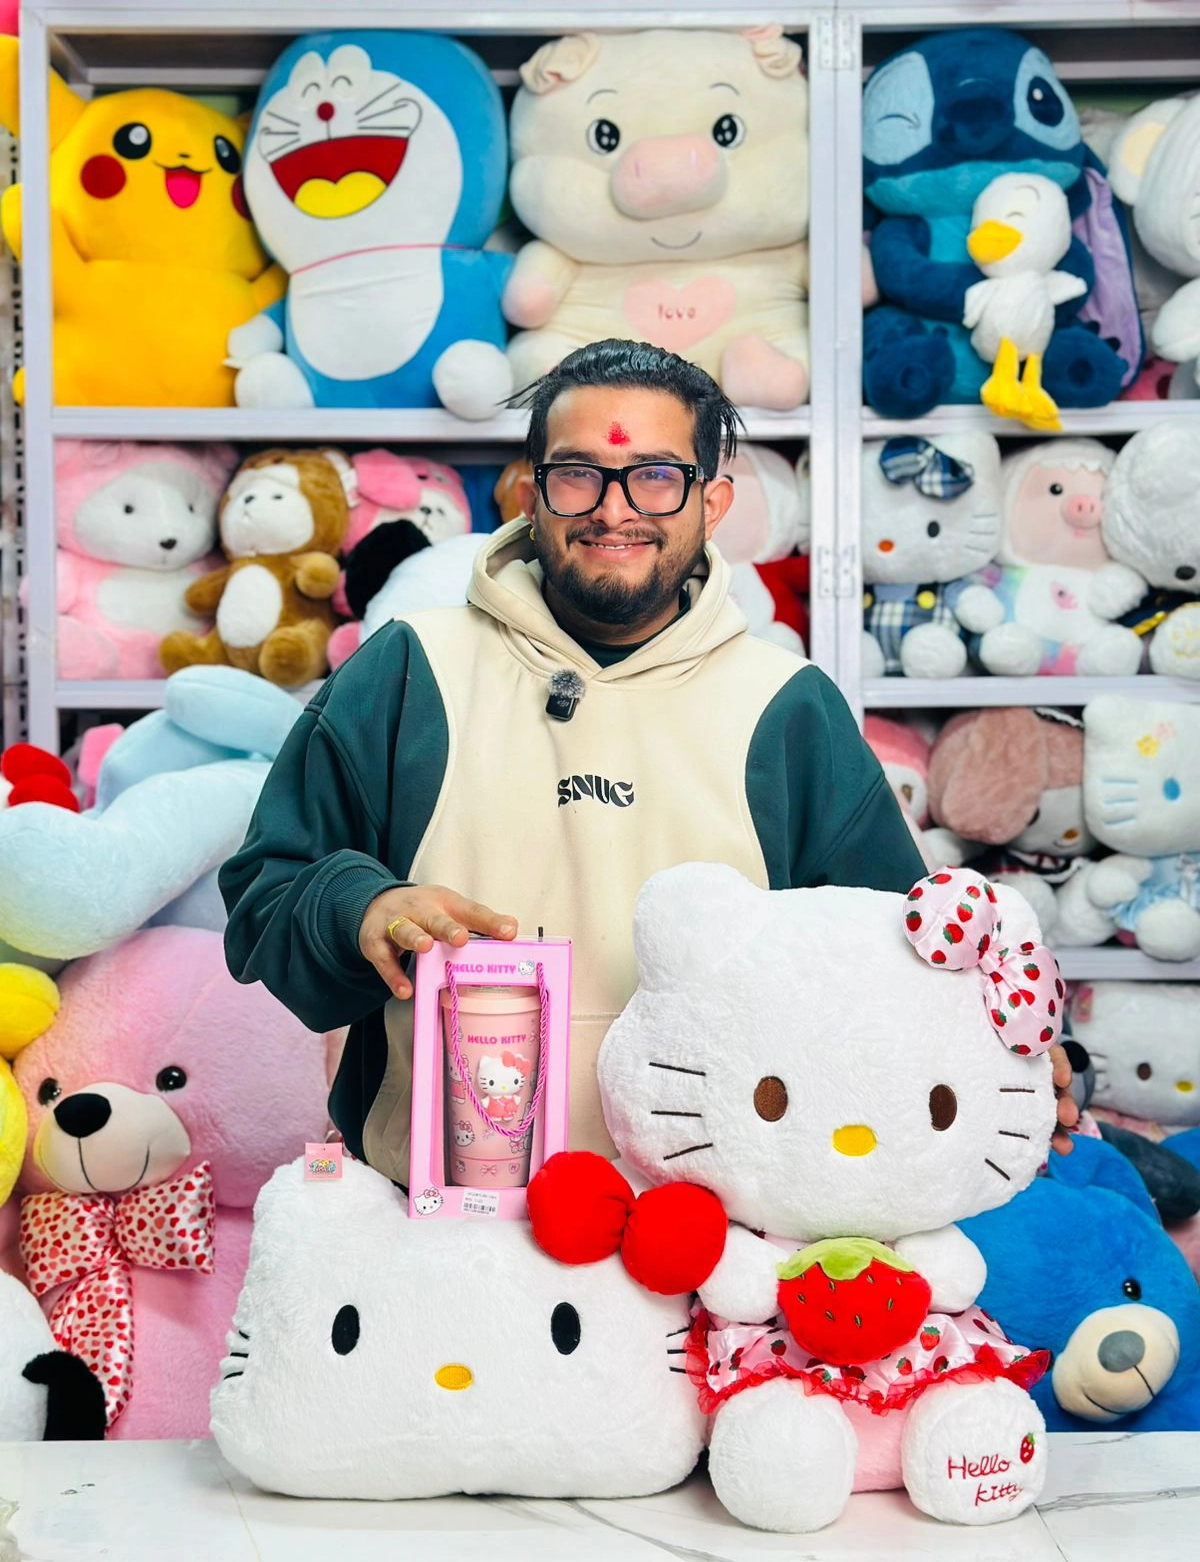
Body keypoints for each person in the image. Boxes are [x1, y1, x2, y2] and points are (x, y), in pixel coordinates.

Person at [221, 339, 1076, 1180]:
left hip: (712, 1228)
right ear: (531, 493)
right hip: (440, 1215)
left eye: (657, 476)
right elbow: (267, 888)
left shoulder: (787, 707)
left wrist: (992, 1049)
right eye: (577, 474)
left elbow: (894, 956)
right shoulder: (413, 668)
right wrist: (362, 907)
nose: (614, 509)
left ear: (713, 502)